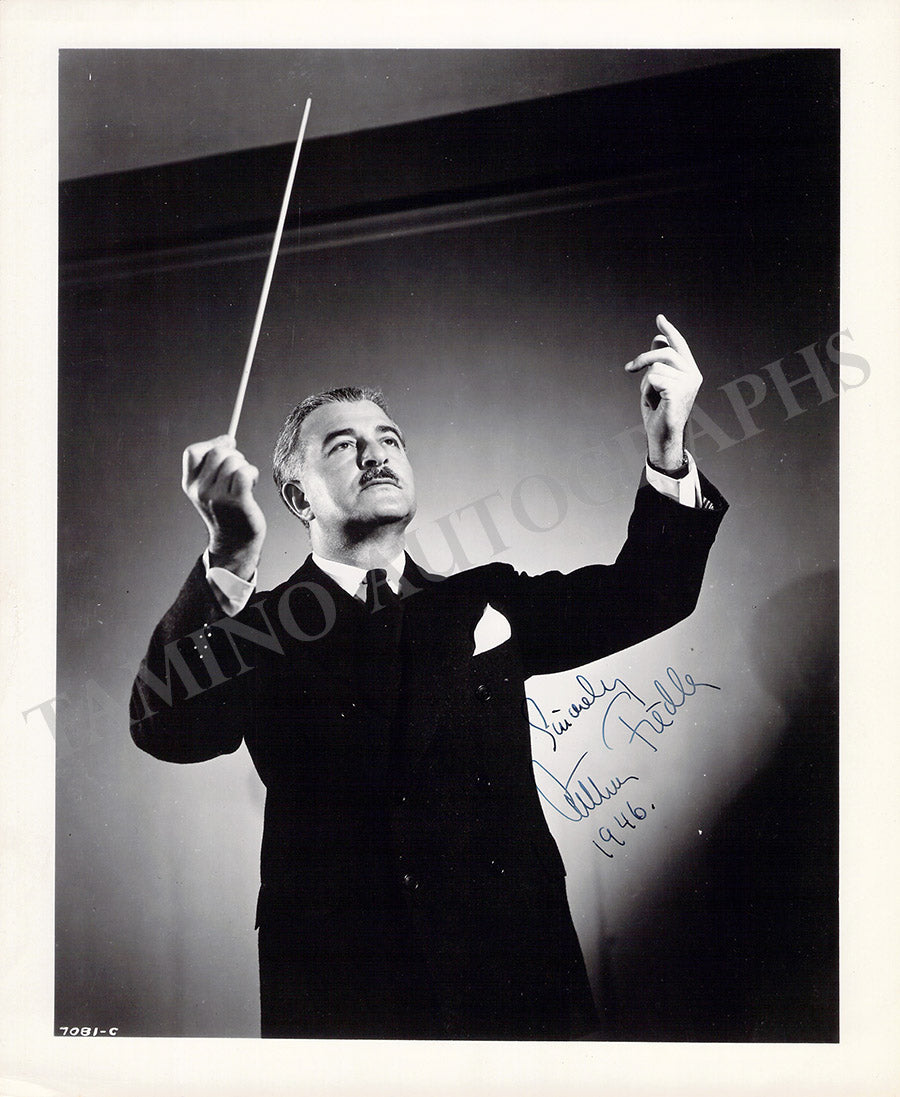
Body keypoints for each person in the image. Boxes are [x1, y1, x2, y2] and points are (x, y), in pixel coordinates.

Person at [130, 314, 727, 1039]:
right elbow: (166, 726)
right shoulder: (256, 628)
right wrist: (229, 555)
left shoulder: (485, 597)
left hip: (514, 980)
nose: (375, 455)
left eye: (389, 440)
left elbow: (651, 592)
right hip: (345, 995)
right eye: (343, 446)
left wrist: (668, 449)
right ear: (298, 498)